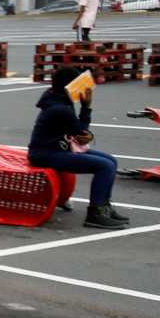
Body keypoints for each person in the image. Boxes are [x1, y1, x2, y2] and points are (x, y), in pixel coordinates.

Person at [29, 66, 128, 230]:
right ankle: (95, 213)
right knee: (105, 166)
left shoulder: (57, 98)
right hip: (46, 154)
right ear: (69, 86)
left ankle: (104, 206)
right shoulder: (60, 108)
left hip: (57, 149)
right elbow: (82, 136)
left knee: (111, 161)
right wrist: (86, 107)